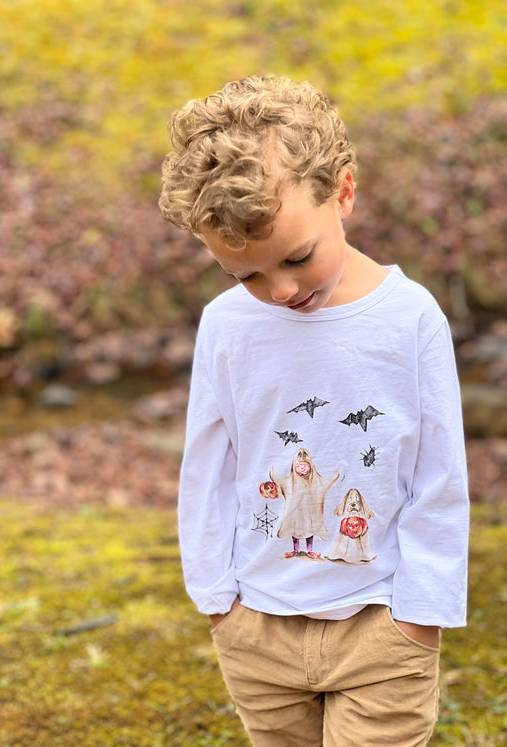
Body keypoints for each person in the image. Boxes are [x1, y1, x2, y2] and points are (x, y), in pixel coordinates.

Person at [159, 75, 469, 746]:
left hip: (380, 626)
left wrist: (421, 614)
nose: (283, 288)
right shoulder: (226, 326)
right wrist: (218, 602)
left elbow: (439, 472)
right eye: (249, 275)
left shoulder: (410, 318)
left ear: (345, 192)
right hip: (258, 630)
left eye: (298, 256)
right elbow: (209, 465)